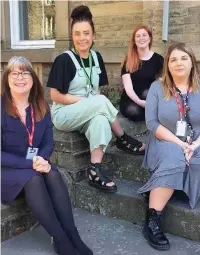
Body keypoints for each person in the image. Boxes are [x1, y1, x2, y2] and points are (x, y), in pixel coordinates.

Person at [47, 5, 145, 193]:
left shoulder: (96, 57)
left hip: (89, 110)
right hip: (65, 113)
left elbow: (97, 91)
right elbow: (55, 96)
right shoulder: (65, 60)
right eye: (77, 34)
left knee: (100, 119)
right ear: (72, 35)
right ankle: (122, 138)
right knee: (99, 102)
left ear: (93, 35)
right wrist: (85, 102)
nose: (82, 38)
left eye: (86, 33)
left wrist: (92, 103)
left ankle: (95, 170)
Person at [1, 56, 93, 255]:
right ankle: (60, 240)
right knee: (34, 179)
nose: (20, 77)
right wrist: (31, 164)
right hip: (6, 170)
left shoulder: (41, 106)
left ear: (33, 79)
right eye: (15, 73)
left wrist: (42, 159)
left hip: (33, 165)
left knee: (52, 173)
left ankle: (72, 234)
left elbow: (47, 143)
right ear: (7, 79)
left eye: (25, 72)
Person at [138, 42, 200, 250]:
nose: (179, 63)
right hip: (165, 140)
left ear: (192, 62)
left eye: (184, 58)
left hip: (197, 142)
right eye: (173, 59)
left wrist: (194, 146)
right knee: (174, 156)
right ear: (167, 65)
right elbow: (152, 123)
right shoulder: (158, 87)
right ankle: (153, 218)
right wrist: (181, 144)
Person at [119, 25, 164, 122]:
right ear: (134, 40)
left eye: (144, 35)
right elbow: (128, 88)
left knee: (147, 93)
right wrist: (140, 102)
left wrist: (153, 102)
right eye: (138, 36)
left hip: (150, 97)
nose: (141, 38)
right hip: (132, 99)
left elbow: (161, 84)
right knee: (134, 111)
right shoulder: (129, 60)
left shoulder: (159, 59)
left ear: (149, 39)